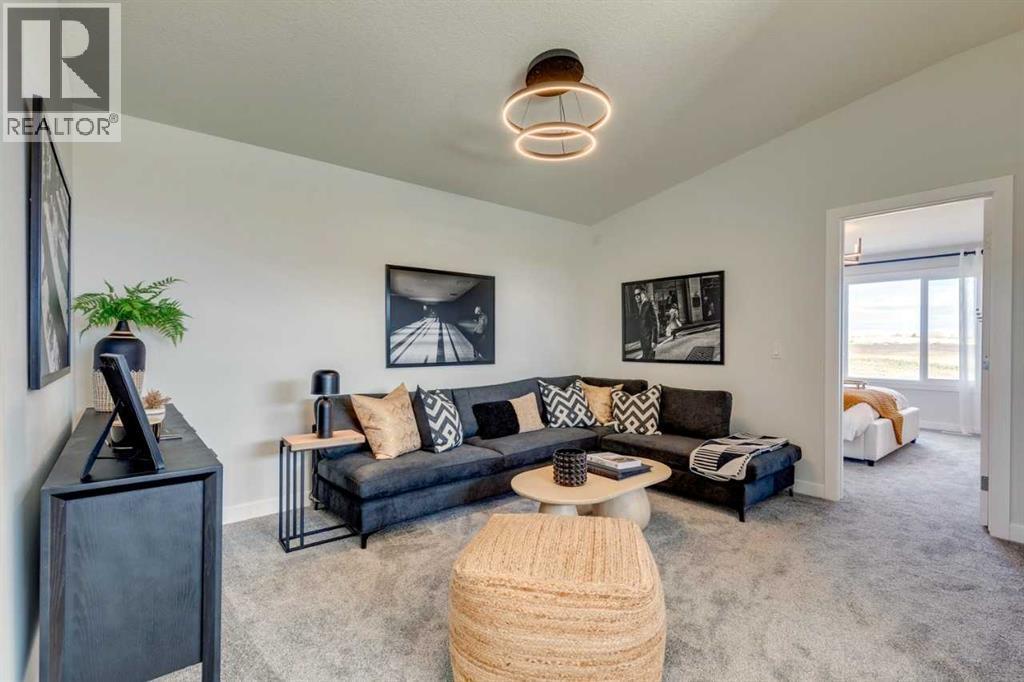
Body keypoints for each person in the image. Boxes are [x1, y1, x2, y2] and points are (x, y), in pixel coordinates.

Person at [632, 288, 658, 360]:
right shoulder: (638, 306)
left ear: (643, 294)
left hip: (649, 339)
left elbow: (654, 324)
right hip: (643, 340)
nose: (636, 297)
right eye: (635, 295)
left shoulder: (648, 305)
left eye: (638, 294)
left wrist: (654, 340)